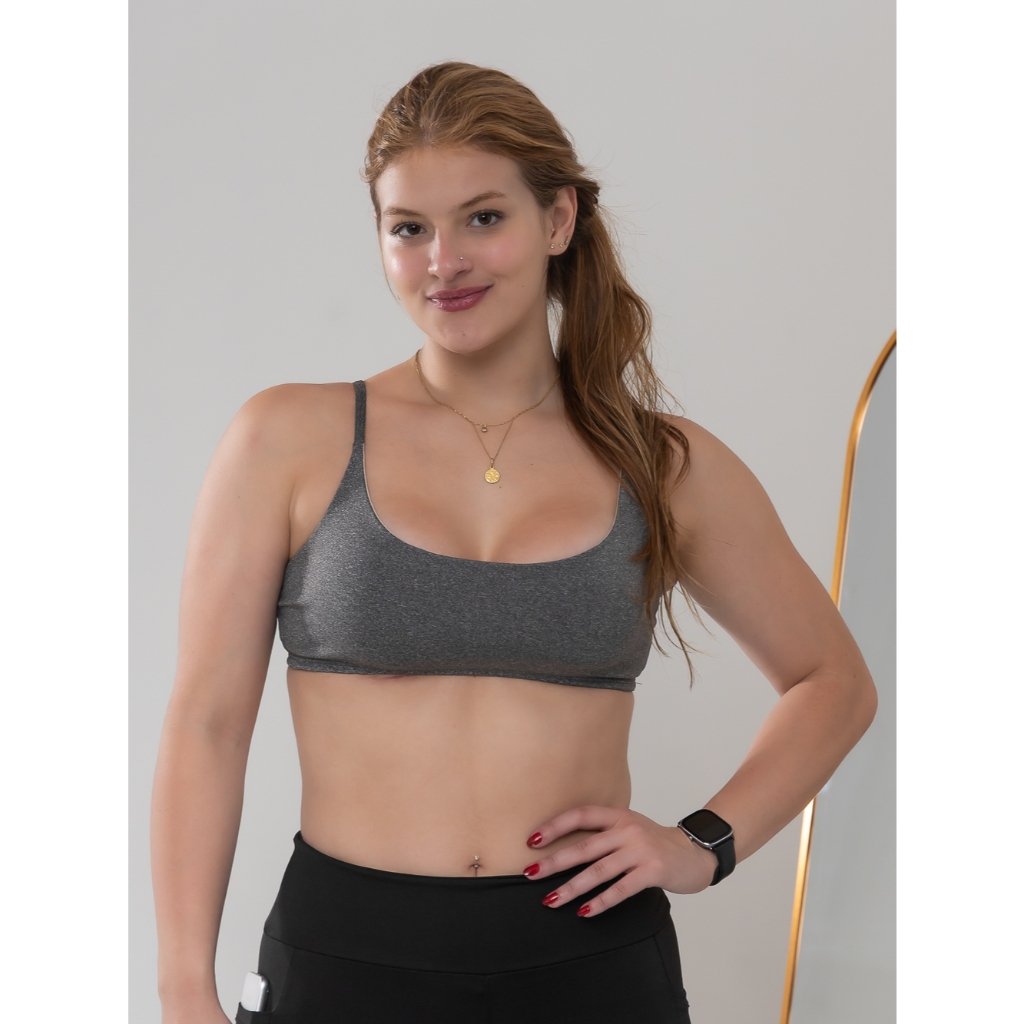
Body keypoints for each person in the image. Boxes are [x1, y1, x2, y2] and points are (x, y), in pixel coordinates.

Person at [151, 62, 876, 1024]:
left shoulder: (661, 464)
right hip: (345, 960)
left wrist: (702, 844)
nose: (443, 261)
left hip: (590, 961)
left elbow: (833, 682)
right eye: (409, 228)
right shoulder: (287, 440)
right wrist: (183, 988)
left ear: (559, 220)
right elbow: (206, 725)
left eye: (483, 218)